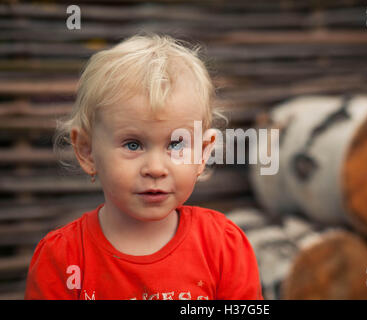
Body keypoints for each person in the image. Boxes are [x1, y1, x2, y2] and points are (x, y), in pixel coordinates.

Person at [24, 34, 264, 300]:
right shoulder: (62, 258)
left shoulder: (223, 247)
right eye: (133, 145)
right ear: (87, 150)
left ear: (204, 152)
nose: (155, 168)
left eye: (175, 144)